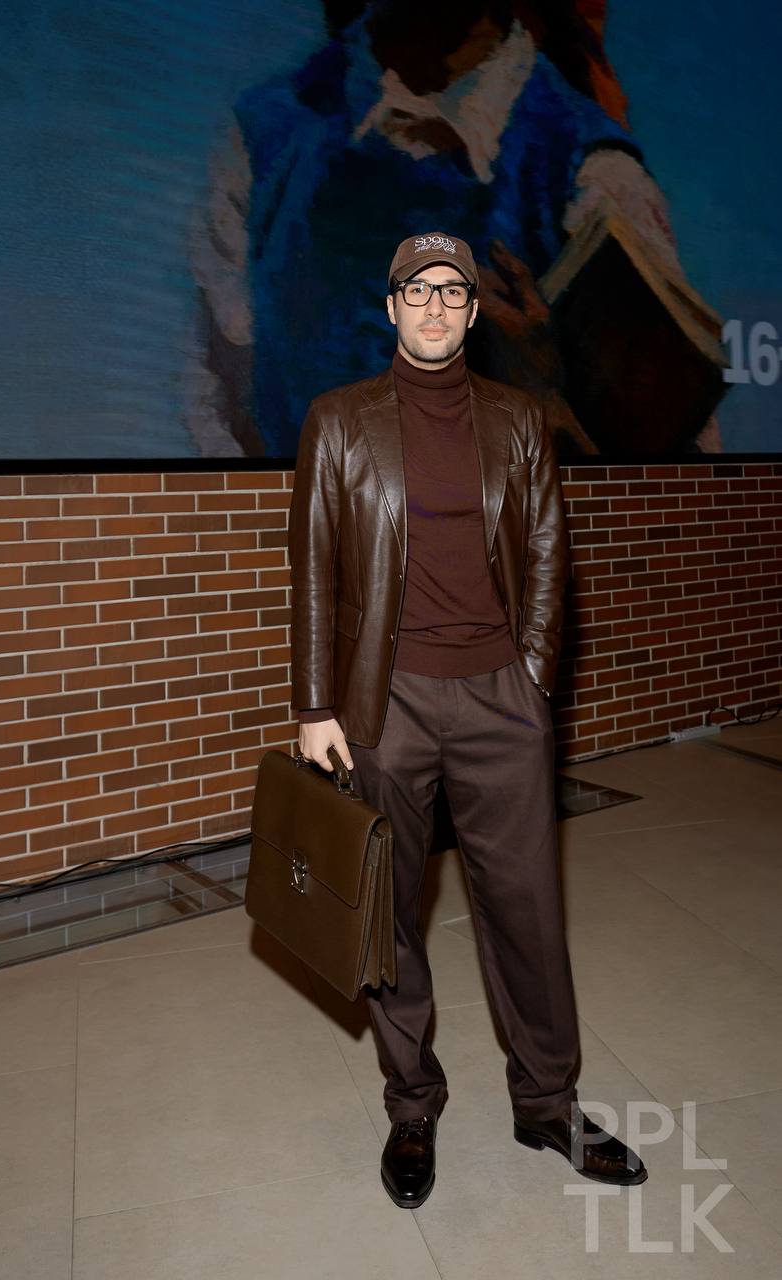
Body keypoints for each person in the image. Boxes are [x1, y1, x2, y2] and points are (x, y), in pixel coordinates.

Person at [287, 230, 647, 1208]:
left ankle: (547, 1103)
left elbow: (547, 554)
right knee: (388, 912)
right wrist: (314, 705)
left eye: (453, 290)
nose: (436, 305)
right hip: (384, 701)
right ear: (390, 306)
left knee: (526, 907)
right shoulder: (339, 420)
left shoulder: (518, 418)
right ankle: (412, 1102)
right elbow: (313, 567)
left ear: (475, 312)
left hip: (499, 698)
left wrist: (531, 682)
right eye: (418, 289)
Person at [191, 1, 722, 458]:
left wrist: (540, 404)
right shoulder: (265, 135)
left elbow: (669, 492)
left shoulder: (594, 179)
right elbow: (228, 424)